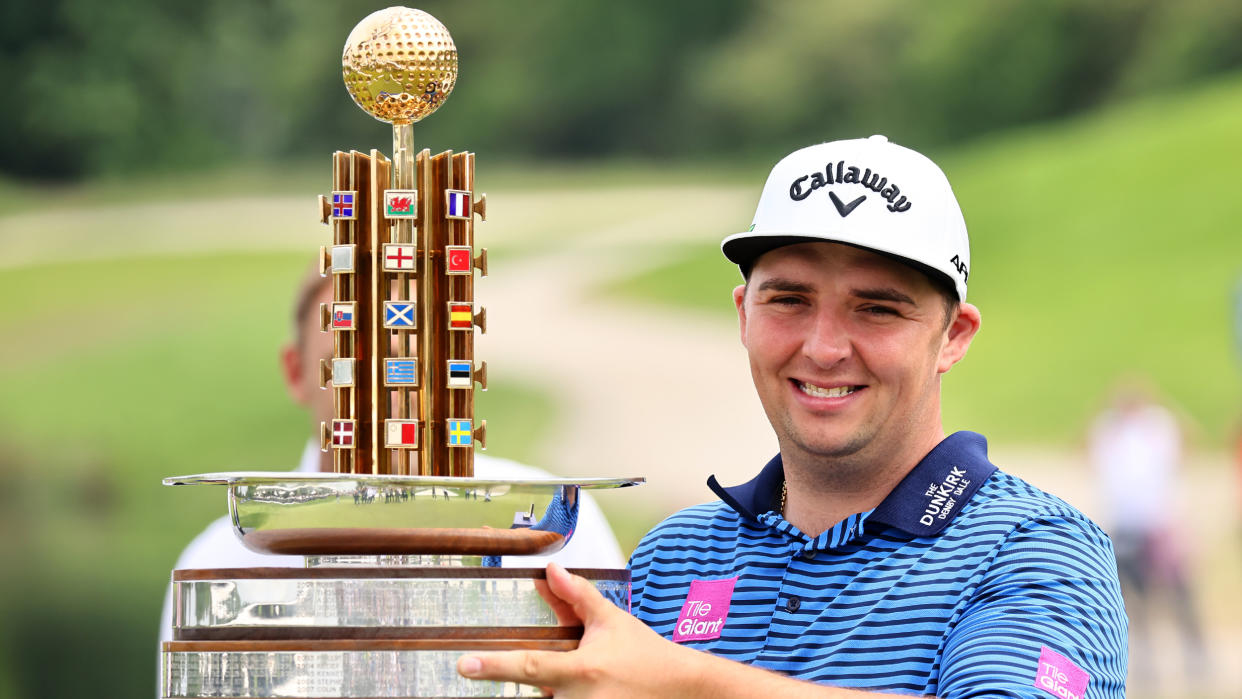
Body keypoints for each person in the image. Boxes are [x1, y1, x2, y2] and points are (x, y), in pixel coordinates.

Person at [457, 136, 1128, 696]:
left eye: (878, 308)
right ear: (743, 313)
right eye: (789, 300)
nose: (825, 347)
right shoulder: (673, 556)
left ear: (953, 335)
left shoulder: (1039, 548)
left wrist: (682, 682)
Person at [158, 267, 626, 646]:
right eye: (350, 360)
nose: (385, 384)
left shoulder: (557, 526)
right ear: (297, 371)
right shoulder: (217, 559)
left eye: (405, 355)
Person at [1088, 379, 1205, 683]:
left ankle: (1195, 657)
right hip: (1127, 524)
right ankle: (1144, 660)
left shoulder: (1158, 426)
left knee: (1179, 594)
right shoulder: (1110, 430)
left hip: (1159, 522)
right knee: (1131, 599)